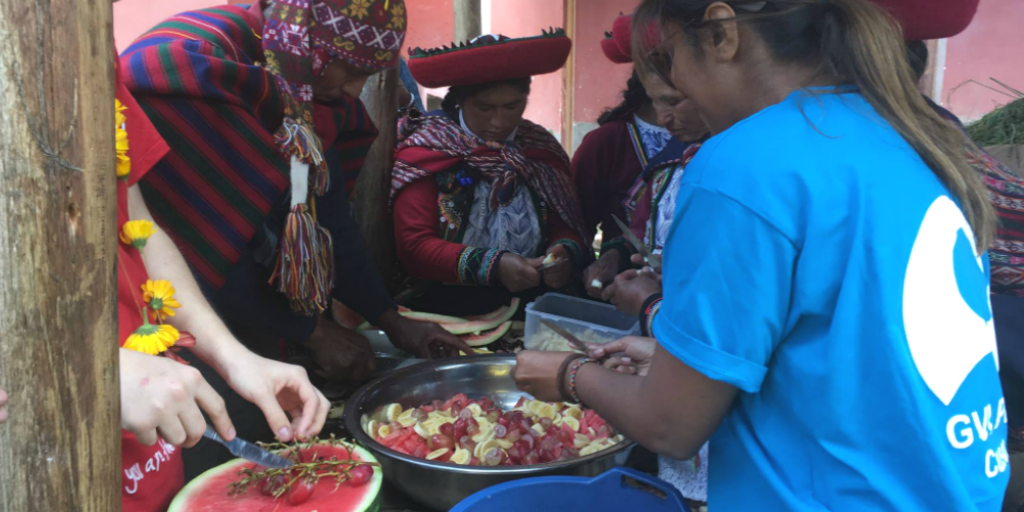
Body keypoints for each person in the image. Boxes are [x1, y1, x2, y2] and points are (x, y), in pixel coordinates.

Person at [514, 0, 1009, 510]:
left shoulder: (748, 160)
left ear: (722, 33)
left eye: (673, 57)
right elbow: (856, 353)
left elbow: (670, 425)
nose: (677, 86)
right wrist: (680, 362)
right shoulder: (909, 132)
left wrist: (568, 374)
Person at [121, 0, 470, 478]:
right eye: (350, 70)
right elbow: (207, 251)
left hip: (246, 321)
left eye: (369, 75)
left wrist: (391, 319)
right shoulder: (199, 74)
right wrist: (314, 331)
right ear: (306, 46)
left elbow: (325, 217)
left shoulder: (299, 84)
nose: (354, 90)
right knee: (213, 453)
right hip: (165, 316)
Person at [113, 50, 328, 511]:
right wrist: (95, 377)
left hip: (149, 434)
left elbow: (136, 226)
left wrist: (234, 357)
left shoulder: (89, 47)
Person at [390, 32, 591, 317]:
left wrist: (562, 253)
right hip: (443, 308)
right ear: (459, 99)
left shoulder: (539, 149)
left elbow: (567, 222)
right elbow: (414, 246)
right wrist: (494, 265)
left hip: (534, 307)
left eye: (512, 106)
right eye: (484, 108)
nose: (499, 121)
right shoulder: (428, 149)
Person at [575, 15, 675, 298]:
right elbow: (577, 223)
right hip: (623, 291)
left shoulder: (710, 140)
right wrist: (606, 260)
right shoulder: (607, 142)